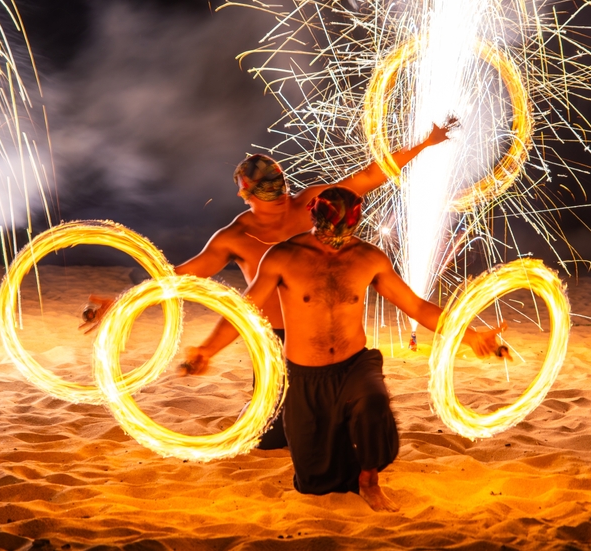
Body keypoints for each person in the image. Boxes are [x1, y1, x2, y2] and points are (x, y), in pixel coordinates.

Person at [80, 120, 458, 449]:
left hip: (326, 328)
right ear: (245, 195)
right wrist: (124, 300)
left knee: (342, 424)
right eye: (264, 188)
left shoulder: (314, 203)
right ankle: (269, 408)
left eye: (277, 185)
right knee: (270, 437)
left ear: (285, 182)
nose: (275, 194)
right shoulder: (235, 236)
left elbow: (367, 177)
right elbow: (183, 275)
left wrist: (423, 145)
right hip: (274, 340)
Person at [182, 187, 508, 511]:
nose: (335, 237)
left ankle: (368, 480)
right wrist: (208, 350)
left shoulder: (368, 258)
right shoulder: (283, 256)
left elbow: (417, 306)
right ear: (315, 219)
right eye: (329, 228)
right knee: (314, 479)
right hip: (305, 375)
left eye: (343, 229)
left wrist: (470, 335)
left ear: (355, 223)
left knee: (373, 401)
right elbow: (245, 309)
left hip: (355, 364)